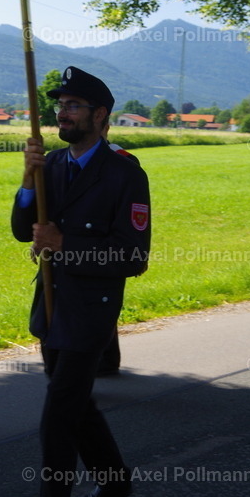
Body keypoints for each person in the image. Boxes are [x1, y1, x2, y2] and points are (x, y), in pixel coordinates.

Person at [11, 66, 151, 497]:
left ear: (100, 115)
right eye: (59, 105)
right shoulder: (50, 163)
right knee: (76, 403)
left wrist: (66, 245)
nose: (61, 113)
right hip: (50, 303)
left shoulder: (124, 172)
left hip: (91, 311)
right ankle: (114, 482)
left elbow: (133, 257)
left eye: (73, 106)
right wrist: (28, 183)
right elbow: (20, 229)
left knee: (58, 417)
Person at [95, 119, 142, 377]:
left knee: (105, 305)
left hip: (110, 244)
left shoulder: (124, 161)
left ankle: (107, 359)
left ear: (106, 127)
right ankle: (104, 358)